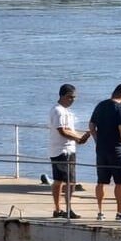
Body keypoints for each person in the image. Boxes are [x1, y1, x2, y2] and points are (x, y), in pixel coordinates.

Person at [89, 83, 121, 222]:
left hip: (101, 149)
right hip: (118, 150)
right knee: (120, 182)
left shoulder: (100, 105)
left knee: (101, 181)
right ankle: (120, 212)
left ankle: (100, 211)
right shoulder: (120, 108)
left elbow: (91, 126)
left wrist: (97, 140)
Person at [48, 83, 89, 219]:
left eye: (74, 97)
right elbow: (62, 131)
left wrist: (79, 137)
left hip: (62, 149)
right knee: (69, 181)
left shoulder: (63, 111)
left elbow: (68, 130)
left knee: (59, 180)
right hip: (63, 150)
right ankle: (66, 209)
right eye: (70, 97)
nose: (72, 100)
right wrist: (78, 138)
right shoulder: (59, 111)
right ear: (62, 96)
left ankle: (59, 209)